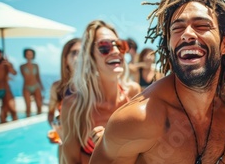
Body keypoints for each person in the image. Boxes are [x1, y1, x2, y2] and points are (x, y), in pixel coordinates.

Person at [90, 0, 225, 164]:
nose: (187, 34)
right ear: (170, 47)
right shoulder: (137, 120)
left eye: (202, 26)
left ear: (224, 45)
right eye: (177, 28)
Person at [60, 20, 140, 164]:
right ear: (90, 56)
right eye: (105, 47)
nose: (115, 51)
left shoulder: (133, 92)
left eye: (120, 45)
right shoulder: (75, 104)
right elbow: (70, 158)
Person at [47, 38, 81, 146]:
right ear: (65, 60)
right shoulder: (57, 88)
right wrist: (56, 130)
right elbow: (51, 114)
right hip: (67, 141)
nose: (80, 57)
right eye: (74, 53)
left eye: (83, 52)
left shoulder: (97, 86)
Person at [20, 48, 44, 117]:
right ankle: (28, 122)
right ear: (25, 55)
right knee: (28, 107)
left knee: (39, 106)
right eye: (28, 54)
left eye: (31, 54)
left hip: (36, 86)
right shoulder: (22, 66)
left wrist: (41, 86)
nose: (29, 55)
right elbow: (25, 77)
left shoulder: (36, 65)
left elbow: (38, 77)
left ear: (33, 55)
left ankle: (38, 121)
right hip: (26, 87)